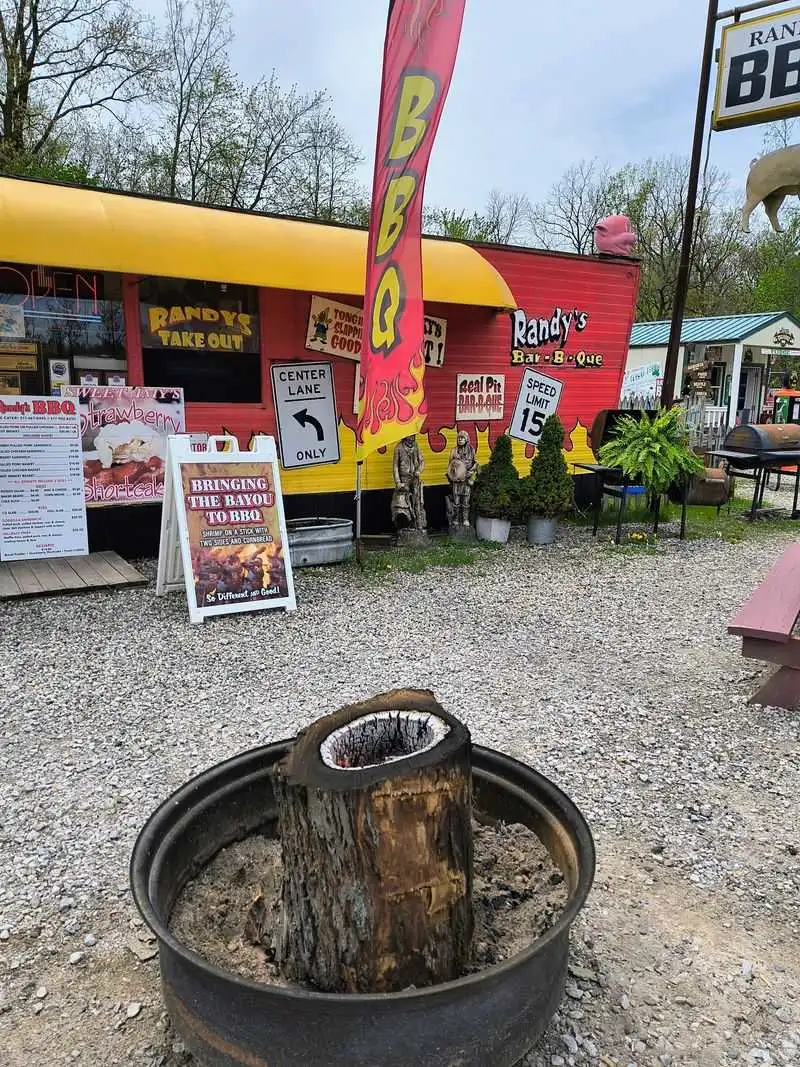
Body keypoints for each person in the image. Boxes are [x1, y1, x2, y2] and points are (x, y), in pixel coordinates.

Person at [391, 435, 426, 531]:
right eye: (410, 435)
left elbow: (422, 461)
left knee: (417, 501)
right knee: (403, 502)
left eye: (414, 435)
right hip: (403, 479)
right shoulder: (398, 447)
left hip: (415, 478)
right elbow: (395, 467)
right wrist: (398, 482)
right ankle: (406, 524)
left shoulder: (416, 446)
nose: (412, 437)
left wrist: (419, 470)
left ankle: (418, 523)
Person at [446, 431, 479, 527]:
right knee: (456, 501)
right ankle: (456, 519)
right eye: (459, 438)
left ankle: (465, 519)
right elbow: (450, 465)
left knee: (465, 501)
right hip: (456, 480)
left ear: (466, 439)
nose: (460, 440)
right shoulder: (454, 451)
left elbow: (475, 463)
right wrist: (453, 474)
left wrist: (471, 472)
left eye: (462, 438)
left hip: (466, 480)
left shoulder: (471, 450)